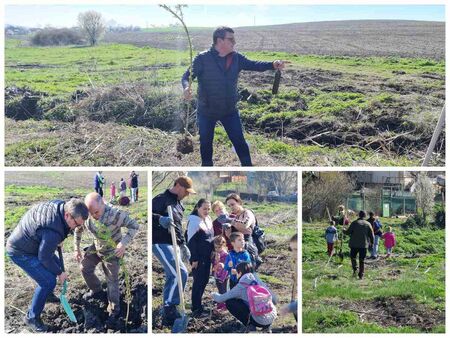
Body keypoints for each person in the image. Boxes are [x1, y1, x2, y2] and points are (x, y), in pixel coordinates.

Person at [182, 26, 287, 167]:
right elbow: (186, 76)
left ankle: (248, 168)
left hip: (229, 111)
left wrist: (272, 64)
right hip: (206, 111)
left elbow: (254, 64)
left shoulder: (236, 58)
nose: (234, 42)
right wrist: (186, 87)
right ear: (219, 40)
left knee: (240, 143)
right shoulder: (202, 59)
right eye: (231, 39)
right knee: (206, 145)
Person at [6, 199, 89, 332]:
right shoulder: (52, 231)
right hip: (20, 251)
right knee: (48, 280)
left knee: (55, 266)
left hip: (33, 243)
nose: (75, 229)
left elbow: (49, 233)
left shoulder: (61, 206)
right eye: (76, 224)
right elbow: (44, 257)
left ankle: (47, 295)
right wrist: (60, 274)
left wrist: (57, 238)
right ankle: (31, 317)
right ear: (67, 215)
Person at [74, 192, 141, 327]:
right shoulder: (88, 215)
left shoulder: (116, 215)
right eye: (91, 213)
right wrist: (77, 248)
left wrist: (123, 243)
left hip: (112, 251)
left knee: (112, 280)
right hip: (96, 247)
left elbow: (135, 226)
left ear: (103, 203)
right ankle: (97, 291)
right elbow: (78, 229)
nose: (93, 216)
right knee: (84, 267)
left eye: (96, 212)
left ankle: (114, 310)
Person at [152, 176, 195, 327]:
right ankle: (169, 308)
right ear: (177, 186)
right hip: (160, 242)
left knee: (173, 275)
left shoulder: (178, 205)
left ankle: (170, 309)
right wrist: (159, 220)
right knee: (180, 273)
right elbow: (149, 215)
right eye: (186, 191)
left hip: (174, 244)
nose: (187, 194)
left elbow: (177, 227)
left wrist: (183, 245)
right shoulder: (161, 199)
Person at [212, 262, 277, 333]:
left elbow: (220, 299)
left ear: (240, 273)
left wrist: (213, 294)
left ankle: (250, 326)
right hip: (272, 314)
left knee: (230, 302)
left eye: (237, 273)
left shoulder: (241, 286)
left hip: (259, 320)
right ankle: (267, 328)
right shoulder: (257, 280)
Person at [186, 199, 214, 317]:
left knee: (205, 280)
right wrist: (194, 259)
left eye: (208, 209)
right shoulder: (193, 222)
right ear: (198, 207)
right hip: (199, 258)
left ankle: (199, 305)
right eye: (204, 209)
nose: (207, 211)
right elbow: (191, 242)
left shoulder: (208, 219)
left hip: (207, 256)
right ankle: (196, 309)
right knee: (198, 282)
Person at [225, 193, 262, 268]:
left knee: (248, 272)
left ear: (239, 202)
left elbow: (245, 225)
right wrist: (227, 228)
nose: (231, 207)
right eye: (229, 206)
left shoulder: (247, 213)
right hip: (238, 248)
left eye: (233, 204)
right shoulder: (236, 217)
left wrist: (231, 221)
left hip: (248, 246)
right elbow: (230, 236)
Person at [343, 210, 374, 279]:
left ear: (359, 215)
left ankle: (355, 270)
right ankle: (361, 274)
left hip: (354, 245)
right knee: (362, 260)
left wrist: (344, 230)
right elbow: (372, 235)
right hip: (364, 245)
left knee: (353, 258)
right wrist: (372, 243)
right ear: (365, 216)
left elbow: (348, 232)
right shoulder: (368, 224)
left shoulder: (354, 223)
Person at [280, 233, 298, 321]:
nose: (293, 254)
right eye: (292, 250)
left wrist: (290, 307)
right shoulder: (296, 262)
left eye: (296, 250)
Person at [211, 235, 229, 312]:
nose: (217, 249)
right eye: (216, 247)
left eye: (219, 247)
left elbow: (226, 267)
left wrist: (223, 277)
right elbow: (215, 265)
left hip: (224, 276)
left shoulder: (225, 255)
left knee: (223, 290)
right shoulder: (215, 254)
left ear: (224, 246)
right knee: (219, 289)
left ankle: (224, 305)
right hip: (218, 275)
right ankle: (220, 304)